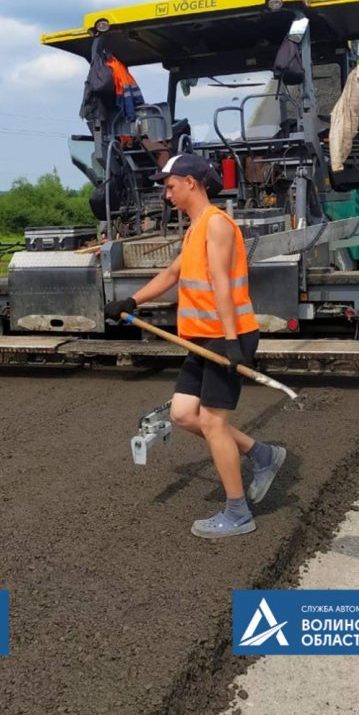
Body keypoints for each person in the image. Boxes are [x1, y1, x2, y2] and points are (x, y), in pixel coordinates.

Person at [104, 154, 286, 539]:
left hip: (227, 336)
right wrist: (131, 302)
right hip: (203, 338)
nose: (166, 195)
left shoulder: (217, 225)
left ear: (190, 182)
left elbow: (221, 282)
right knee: (184, 414)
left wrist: (233, 342)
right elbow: (173, 273)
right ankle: (262, 454)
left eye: (169, 186)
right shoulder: (194, 229)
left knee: (212, 422)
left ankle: (238, 513)